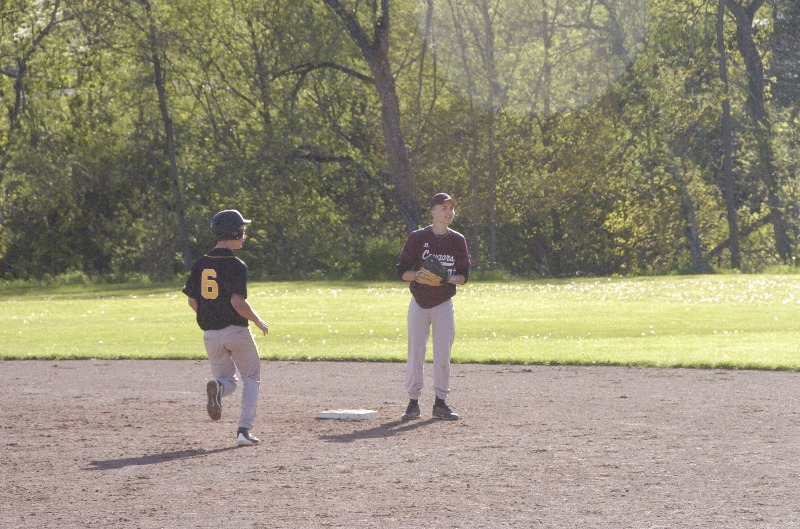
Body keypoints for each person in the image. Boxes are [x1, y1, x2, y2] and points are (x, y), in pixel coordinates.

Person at [182, 209, 270, 446]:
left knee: (227, 380)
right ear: (234, 232)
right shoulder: (236, 265)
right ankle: (244, 431)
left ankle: (219, 388)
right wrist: (257, 320)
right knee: (251, 378)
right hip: (236, 332)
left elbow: (192, 301)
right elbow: (237, 302)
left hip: (210, 335)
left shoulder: (200, 263)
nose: (244, 235)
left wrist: (211, 315)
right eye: (242, 230)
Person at [395, 193, 472, 421]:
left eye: (451, 208)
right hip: (419, 303)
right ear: (432, 211)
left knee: (443, 354)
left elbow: (464, 276)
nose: (448, 212)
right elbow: (402, 272)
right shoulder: (418, 238)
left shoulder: (457, 240)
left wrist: (448, 278)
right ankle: (413, 402)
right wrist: (419, 275)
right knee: (415, 352)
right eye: (443, 207)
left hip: (443, 304)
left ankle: (440, 402)